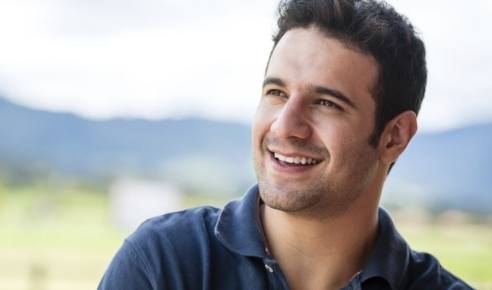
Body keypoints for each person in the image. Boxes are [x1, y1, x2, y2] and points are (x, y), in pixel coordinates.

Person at [97, 0, 473, 289]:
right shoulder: (164, 264)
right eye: (276, 93)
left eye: (326, 103)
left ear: (394, 137)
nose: (285, 125)